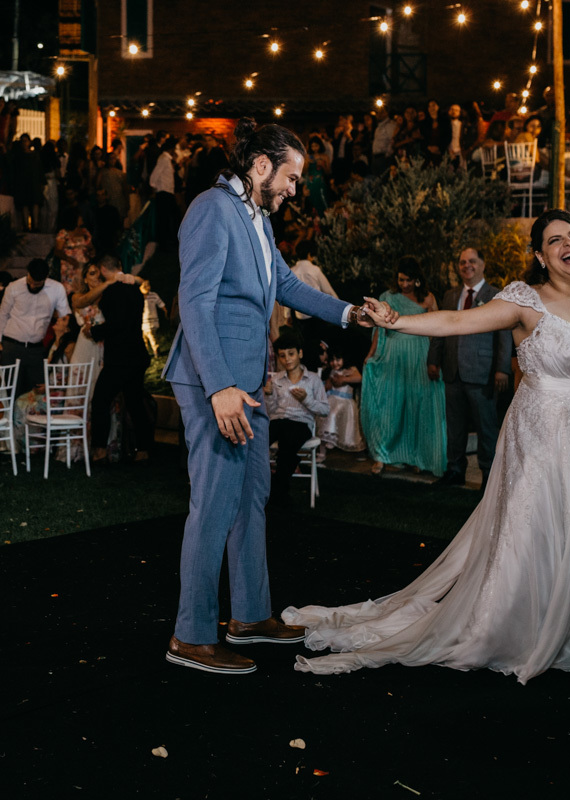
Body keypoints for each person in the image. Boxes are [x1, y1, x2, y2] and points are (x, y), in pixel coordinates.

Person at [285, 209, 570, 684]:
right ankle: (520, 628)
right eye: (556, 240)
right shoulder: (527, 301)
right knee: (540, 533)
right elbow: (456, 322)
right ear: (540, 256)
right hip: (543, 438)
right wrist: (398, 321)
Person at [162, 117, 388, 675]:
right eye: (291, 176)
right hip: (217, 386)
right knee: (213, 508)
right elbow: (194, 303)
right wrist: (219, 389)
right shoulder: (211, 210)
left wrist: (349, 314)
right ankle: (190, 636)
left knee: (250, 502)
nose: (294, 188)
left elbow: (284, 286)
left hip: (251, 388)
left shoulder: (257, 217)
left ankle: (251, 615)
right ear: (261, 166)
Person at [428, 248, 512, 488]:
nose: (467, 266)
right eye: (462, 262)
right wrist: (433, 360)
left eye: (472, 261)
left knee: (486, 427)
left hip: (482, 372)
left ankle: (489, 476)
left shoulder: (497, 295)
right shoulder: (450, 295)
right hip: (452, 371)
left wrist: (502, 369)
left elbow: (504, 334)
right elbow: (440, 330)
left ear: (483, 265)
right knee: (454, 426)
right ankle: (454, 470)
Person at [361, 257, 447, 477]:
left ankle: (416, 457)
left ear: (417, 280)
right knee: (389, 406)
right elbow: (379, 331)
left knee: (418, 406)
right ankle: (382, 456)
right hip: (393, 354)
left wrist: (433, 361)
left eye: (409, 280)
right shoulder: (387, 298)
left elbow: (435, 330)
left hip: (419, 355)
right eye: (401, 280)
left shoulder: (428, 298)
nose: (405, 284)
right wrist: (371, 355)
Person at [89, 255, 153, 465]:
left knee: (100, 400)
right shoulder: (134, 290)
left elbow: (116, 324)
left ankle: (99, 450)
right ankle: (143, 449)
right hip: (137, 354)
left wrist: (94, 331)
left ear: (102, 270)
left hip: (119, 357)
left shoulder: (111, 292)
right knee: (135, 402)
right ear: (119, 266)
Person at [264, 332, 330, 502]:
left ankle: (277, 488)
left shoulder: (313, 379)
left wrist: (306, 399)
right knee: (259, 440)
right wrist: (269, 395)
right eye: (282, 356)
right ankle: (274, 487)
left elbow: (324, 409)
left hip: (301, 425)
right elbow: (270, 411)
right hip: (278, 422)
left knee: (288, 437)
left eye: (291, 354)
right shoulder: (276, 379)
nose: (287, 359)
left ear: (300, 353)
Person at [0, 258, 72, 398]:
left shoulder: (57, 289)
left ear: (45, 279)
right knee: (10, 391)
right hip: (12, 345)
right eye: (30, 282)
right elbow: (3, 314)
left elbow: (65, 316)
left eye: (37, 284)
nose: (32, 286)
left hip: (36, 348)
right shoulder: (14, 287)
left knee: (35, 392)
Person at [318, 350, 365, 453]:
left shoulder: (350, 370)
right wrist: (328, 383)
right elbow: (325, 387)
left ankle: (332, 437)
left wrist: (344, 379)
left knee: (333, 413)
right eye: (332, 360)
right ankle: (322, 450)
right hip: (331, 399)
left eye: (338, 360)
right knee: (325, 413)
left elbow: (359, 378)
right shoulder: (329, 371)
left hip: (345, 401)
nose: (335, 363)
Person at [140, 279, 167, 357]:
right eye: (145, 286)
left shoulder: (153, 295)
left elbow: (160, 303)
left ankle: (156, 352)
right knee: (143, 339)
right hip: (142, 323)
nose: (147, 287)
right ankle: (145, 354)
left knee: (152, 338)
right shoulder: (139, 296)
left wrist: (165, 311)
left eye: (148, 285)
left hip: (151, 323)